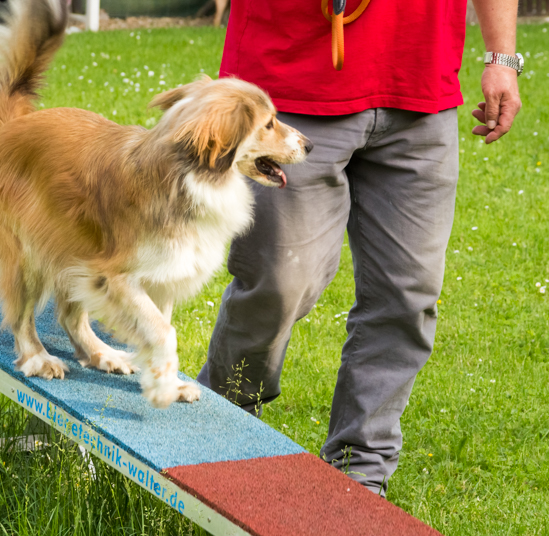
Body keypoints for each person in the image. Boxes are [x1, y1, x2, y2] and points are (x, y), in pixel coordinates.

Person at [197, 0, 522, 497]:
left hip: (419, 81)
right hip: (287, 86)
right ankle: (219, 427)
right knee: (280, 284)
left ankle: (359, 474)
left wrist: (502, 57)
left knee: (406, 297)